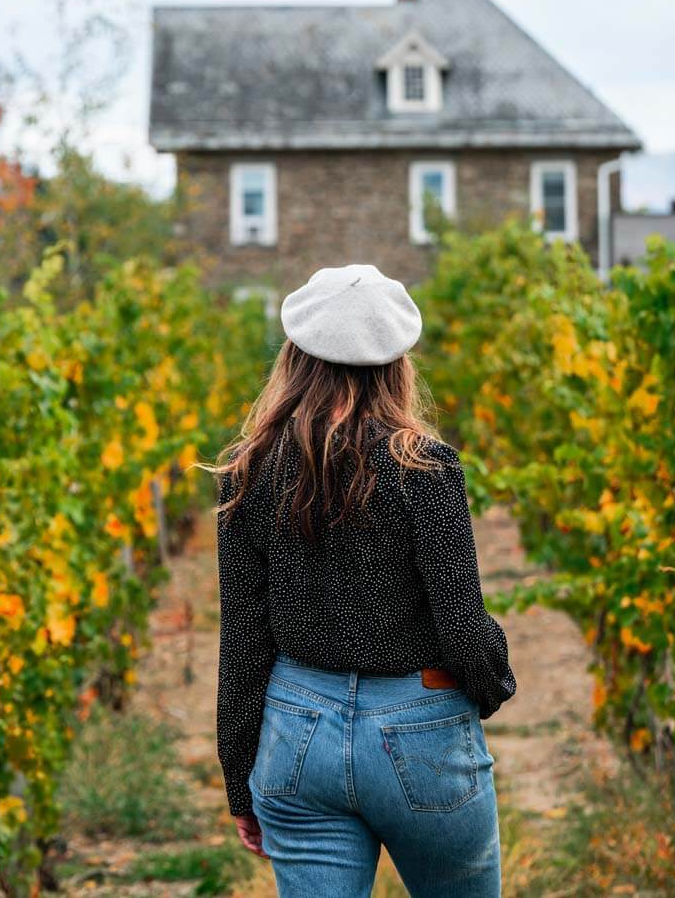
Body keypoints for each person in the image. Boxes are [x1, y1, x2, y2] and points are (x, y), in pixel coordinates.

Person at [210, 263, 517, 897]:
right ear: (396, 363)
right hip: (419, 727)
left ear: (294, 358)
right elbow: (461, 625)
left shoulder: (249, 472)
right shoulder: (425, 468)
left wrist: (240, 780)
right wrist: (489, 687)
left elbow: (243, 643)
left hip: (297, 734)